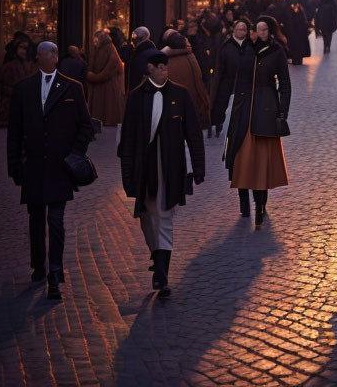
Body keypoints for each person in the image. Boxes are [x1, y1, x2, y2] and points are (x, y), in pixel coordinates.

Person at [7, 42, 94, 299]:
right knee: (35, 219)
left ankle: (55, 272)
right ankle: (38, 266)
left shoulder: (72, 87)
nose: (54, 55)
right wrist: (14, 164)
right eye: (49, 52)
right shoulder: (23, 89)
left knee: (56, 220)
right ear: (38, 57)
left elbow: (86, 126)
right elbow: (14, 131)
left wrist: (75, 153)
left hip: (59, 167)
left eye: (56, 52)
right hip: (33, 166)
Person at [119, 52, 205, 298]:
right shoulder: (135, 98)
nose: (165, 71)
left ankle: (161, 273)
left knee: (164, 216)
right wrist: (127, 178)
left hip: (169, 167)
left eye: (166, 67)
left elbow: (193, 133)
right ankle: (156, 256)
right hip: (144, 167)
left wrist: (199, 168)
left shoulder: (180, 94)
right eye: (160, 67)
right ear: (150, 69)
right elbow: (127, 140)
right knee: (147, 217)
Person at [224, 16, 291, 227]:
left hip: (266, 107)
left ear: (270, 31)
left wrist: (282, 112)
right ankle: (244, 202)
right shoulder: (245, 50)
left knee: (262, 160)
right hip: (243, 109)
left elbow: (285, 84)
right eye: (257, 29)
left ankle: (261, 205)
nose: (259, 32)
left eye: (263, 29)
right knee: (241, 157)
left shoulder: (276, 51)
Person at [209, 18, 254, 138]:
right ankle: (218, 124)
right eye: (239, 29)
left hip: (244, 82)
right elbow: (219, 66)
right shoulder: (226, 47)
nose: (241, 32)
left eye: (244, 30)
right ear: (234, 30)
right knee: (222, 104)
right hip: (227, 81)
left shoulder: (250, 46)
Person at [162, 32, 212, 132]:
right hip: (190, 100)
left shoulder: (163, 58)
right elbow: (198, 78)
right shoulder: (189, 56)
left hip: (170, 102)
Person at [86, 30, 125, 126]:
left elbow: (109, 70)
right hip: (101, 87)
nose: (94, 40)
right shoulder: (97, 49)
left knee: (107, 108)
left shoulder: (110, 49)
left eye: (96, 38)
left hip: (108, 87)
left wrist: (93, 77)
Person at [0, 37, 35, 127]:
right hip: (11, 111)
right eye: (22, 47)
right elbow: (2, 87)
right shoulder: (9, 67)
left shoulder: (33, 66)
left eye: (27, 48)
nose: (24, 51)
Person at [128, 27, 160, 92]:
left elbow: (136, 79)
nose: (132, 40)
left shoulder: (139, 55)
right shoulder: (156, 53)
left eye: (134, 37)